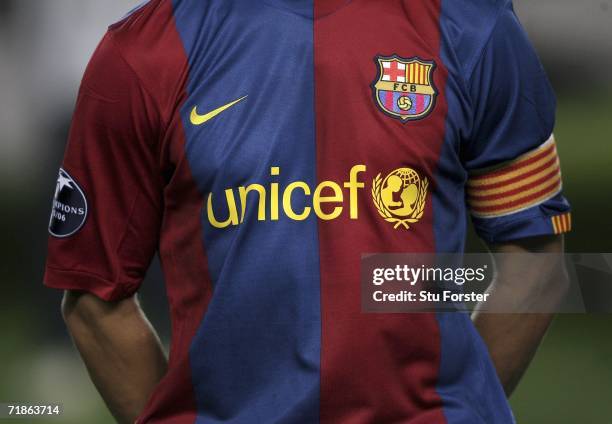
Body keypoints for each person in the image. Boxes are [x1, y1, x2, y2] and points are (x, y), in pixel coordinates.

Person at [44, 0, 572, 422]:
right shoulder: (144, 52)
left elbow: (536, 264)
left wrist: (455, 407)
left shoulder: (474, 25)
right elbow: (94, 299)